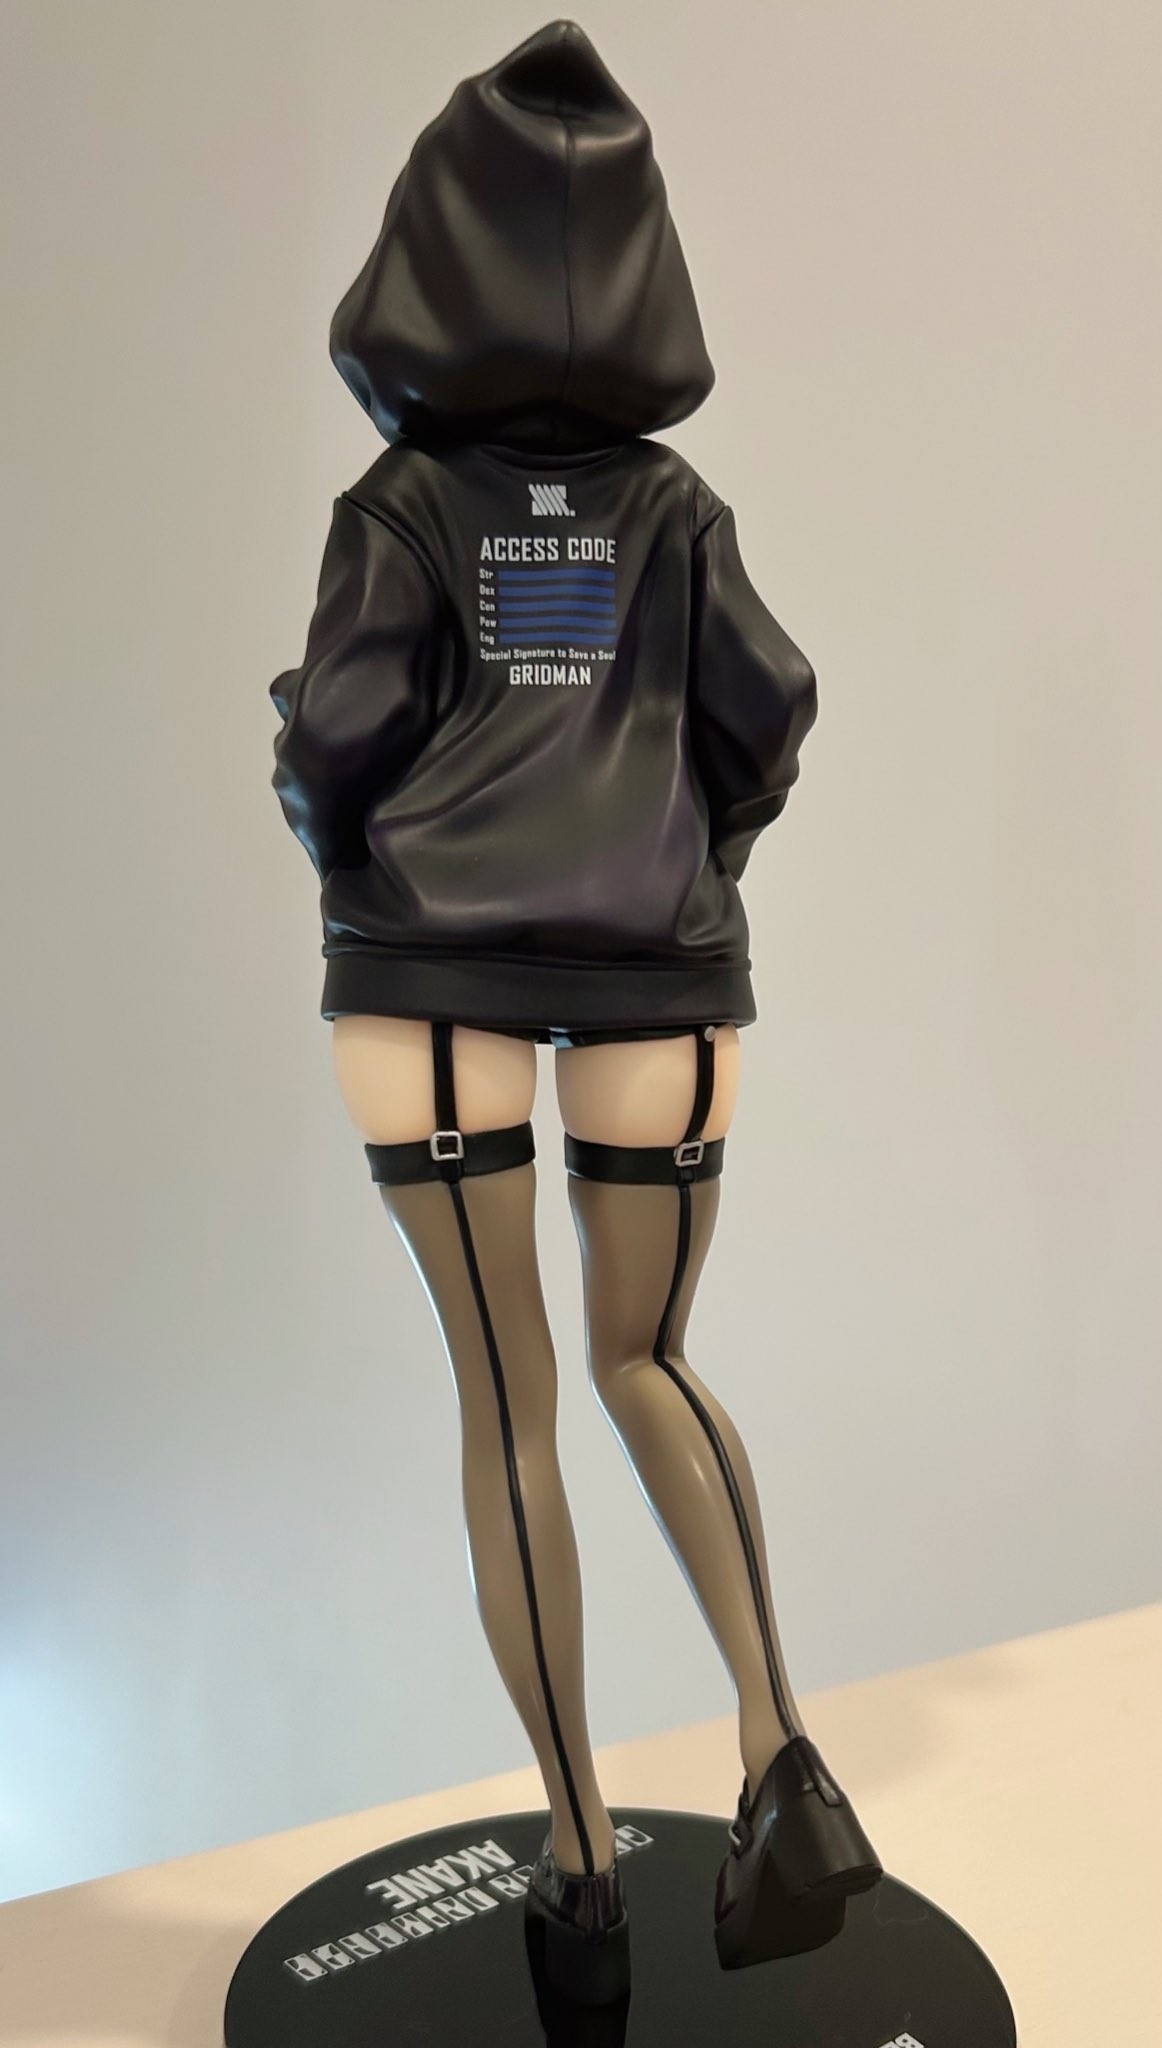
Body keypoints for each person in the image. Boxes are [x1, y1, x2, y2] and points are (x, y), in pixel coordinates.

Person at [270, 16, 880, 2005]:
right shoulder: (675, 509)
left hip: (428, 979)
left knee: (507, 1399)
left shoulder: (399, 505)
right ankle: (780, 1759)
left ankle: (580, 1865)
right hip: (659, 974)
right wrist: (679, 856)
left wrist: (357, 847)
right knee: (651, 1356)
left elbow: (334, 742)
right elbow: (769, 718)